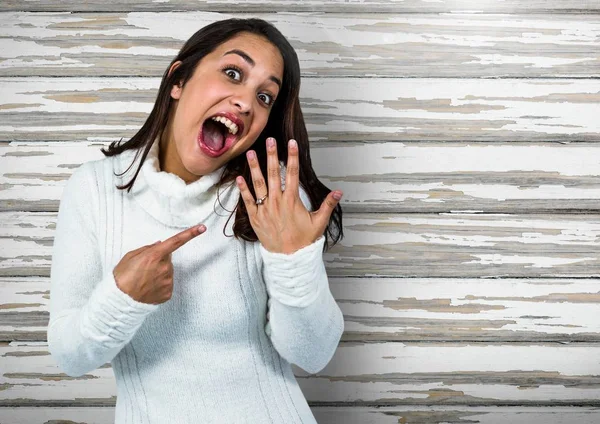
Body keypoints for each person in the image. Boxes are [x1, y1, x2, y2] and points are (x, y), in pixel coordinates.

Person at [47, 18, 344, 423]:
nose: (245, 102)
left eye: (264, 96)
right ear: (178, 79)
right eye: (233, 73)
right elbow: (70, 357)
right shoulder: (93, 189)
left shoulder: (273, 199)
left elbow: (313, 354)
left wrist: (293, 260)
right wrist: (122, 297)